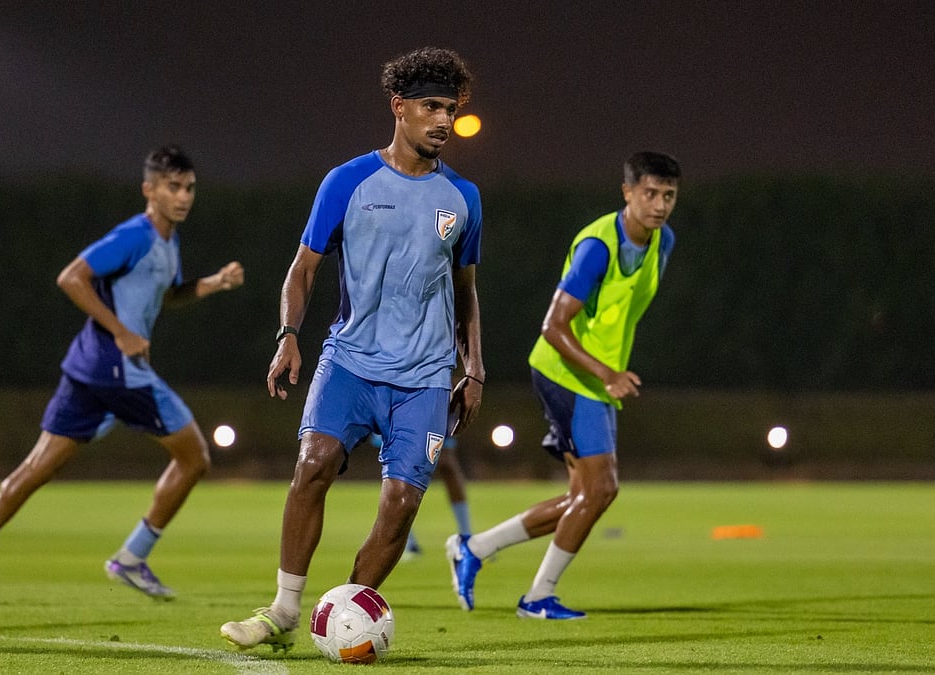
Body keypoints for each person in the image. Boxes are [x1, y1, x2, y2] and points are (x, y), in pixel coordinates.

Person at [220, 46, 484, 652]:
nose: (443, 120)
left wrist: (474, 370)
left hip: (424, 377)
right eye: (430, 107)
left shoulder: (464, 197)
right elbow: (302, 269)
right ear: (399, 108)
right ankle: (286, 610)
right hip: (351, 362)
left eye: (450, 109)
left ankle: (344, 618)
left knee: (400, 503)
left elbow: (467, 293)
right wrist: (288, 336)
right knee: (313, 463)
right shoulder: (347, 181)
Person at [0, 145, 245, 604]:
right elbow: (71, 277)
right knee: (195, 456)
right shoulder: (134, 236)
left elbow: (166, 295)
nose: (183, 196)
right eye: (173, 187)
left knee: (40, 465)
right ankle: (132, 558)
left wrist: (213, 284)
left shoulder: (168, 241)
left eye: (190, 188)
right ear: (149, 190)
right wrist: (121, 332)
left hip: (88, 369)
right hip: (119, 371)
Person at [447, 151, 680, 620]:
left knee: (584, 497)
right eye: (650, 193)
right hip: (566, 373)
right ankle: (537, 597)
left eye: (669, 196)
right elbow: (553, 326)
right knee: (601, 490)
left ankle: (474, 547)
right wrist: (606, 373)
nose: (659, 205)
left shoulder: (663, 241)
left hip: (595, 378)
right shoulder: (599, 246)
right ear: (627, 193)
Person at [366, 432, 471, 561]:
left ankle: (467, 537)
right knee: (395, 462)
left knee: (446, 462)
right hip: (394, 412)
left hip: (431, 411)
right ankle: (407, 543)